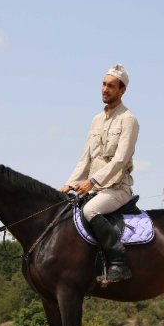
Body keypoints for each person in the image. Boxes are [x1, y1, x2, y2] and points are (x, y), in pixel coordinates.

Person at [61, 63, 140, 283]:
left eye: (111, 86)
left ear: (122, 90)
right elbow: (85, 158)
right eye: (104, 84)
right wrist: (69, 183)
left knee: (89, 211)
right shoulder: (96, 120)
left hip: (116, 189)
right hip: (93, 188)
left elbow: (120, 160)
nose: (105, 89)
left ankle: (118, 263)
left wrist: (92, 181)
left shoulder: (129, 120)